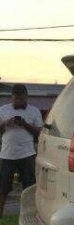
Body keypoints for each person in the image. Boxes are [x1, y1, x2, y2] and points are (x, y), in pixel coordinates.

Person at [0, 84, 43, 217]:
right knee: (2, 187)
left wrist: (24, 124)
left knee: (29, 187)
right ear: (11, 97)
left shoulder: (34, 111)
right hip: (7, 155)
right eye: (16, 99)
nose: (18, 101)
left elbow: (39, 132)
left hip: (27, 154)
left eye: (21, 99)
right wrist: (6, 123)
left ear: (26, 97)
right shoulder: (3, 110)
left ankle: (29, 215)